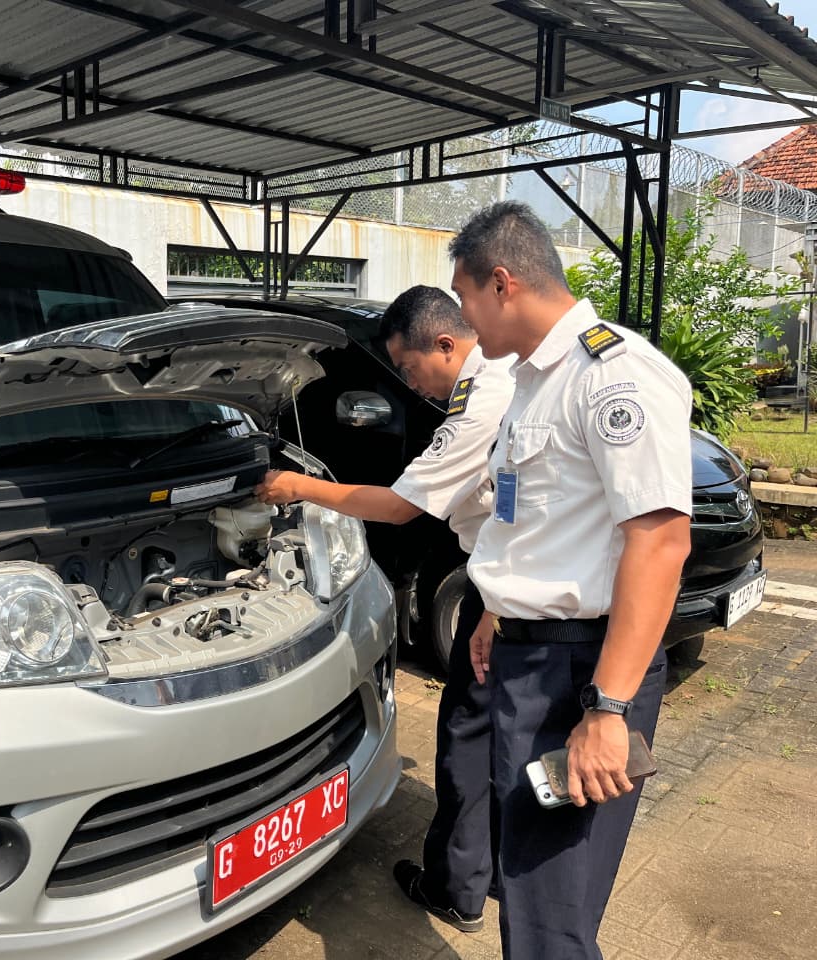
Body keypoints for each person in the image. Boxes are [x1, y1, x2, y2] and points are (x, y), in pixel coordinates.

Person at [450, 201, 691, 959]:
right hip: (532, 658)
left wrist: (609, 709)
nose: (465, 326)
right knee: (536, 899)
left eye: (464, 302)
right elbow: (539, 522)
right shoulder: (532, 381)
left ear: (502, 283)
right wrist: (497, 608)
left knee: (549, 917)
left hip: (577, 673)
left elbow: (658, 540)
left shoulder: (612, 373)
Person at [255, 285, 513, 932]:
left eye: (406, 366)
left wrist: (297, 486)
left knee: (468, 738)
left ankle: (457, 886)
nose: (408, 381)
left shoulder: (480, 407)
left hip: (510, 587)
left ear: (446, 345)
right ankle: (506, 868)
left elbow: (399, 506)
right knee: (514, 736)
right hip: (524, 581)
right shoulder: (515, 370)